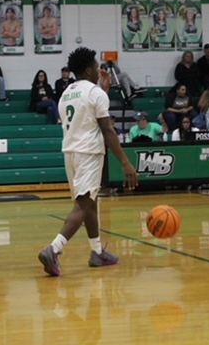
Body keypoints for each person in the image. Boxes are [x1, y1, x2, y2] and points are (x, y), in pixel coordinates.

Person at [37, 47, 138, 277]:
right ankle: (53, 249)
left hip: (70, 153)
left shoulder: (66, 93)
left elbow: (84, 114)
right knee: (84, 204)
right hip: (89, 153)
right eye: (94, 66)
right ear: (87, 69)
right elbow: (107, 130)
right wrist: (125, 162)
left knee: (90, 201)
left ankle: (97, 252)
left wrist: (100, 89)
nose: (98, 69)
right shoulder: (95, 94)